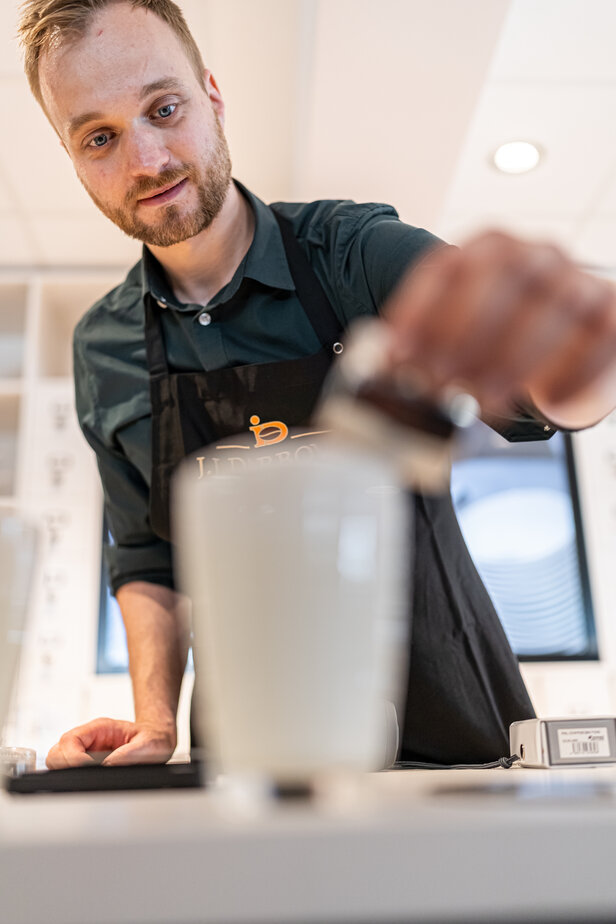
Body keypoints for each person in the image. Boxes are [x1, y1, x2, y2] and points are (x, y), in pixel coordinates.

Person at [18, 0, 615, 770]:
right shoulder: (105, 348)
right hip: (254, 756)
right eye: (100, 137)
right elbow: (147, 561)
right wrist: (156, 722)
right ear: (74, 159)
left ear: (212, 96)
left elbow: (541, 397)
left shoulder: (353, 254)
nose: (146, 161)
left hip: (454, 732)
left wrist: (578, 343)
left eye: (164, 109)